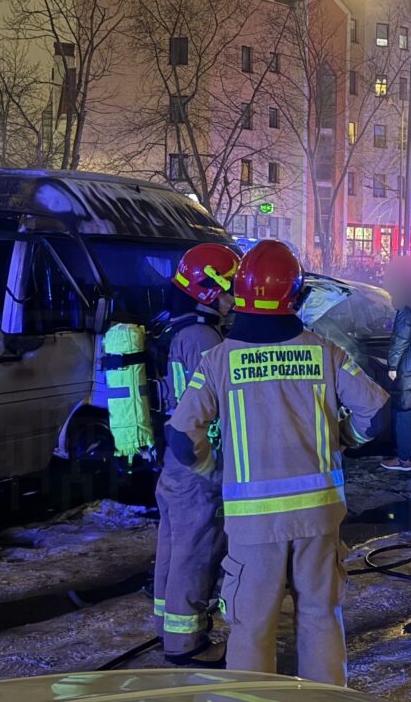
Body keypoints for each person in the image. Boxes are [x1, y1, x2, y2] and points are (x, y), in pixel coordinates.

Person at [167, 240, 390, 685]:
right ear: (295, 295)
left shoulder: (217, 360)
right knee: (321, 616)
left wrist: (214, 471)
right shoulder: (324, 351)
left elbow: (181, 436)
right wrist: (344, 438)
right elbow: (379, 413)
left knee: (252, 629)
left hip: (253, 526)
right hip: (319, 516)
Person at [153, 242, 239, 667]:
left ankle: (167, 628)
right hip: (197, 459)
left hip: (175, 457)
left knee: (173, 545)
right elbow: (215, 403)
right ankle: (187, 644)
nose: (233, 299)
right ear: (209, 290)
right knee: (197, 548)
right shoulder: (205, 336)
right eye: (228, 290)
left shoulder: (178, 327)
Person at [382, 274, 411, 472]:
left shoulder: (406, 313)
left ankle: (403, 459)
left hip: (408, 368)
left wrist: (392, 366)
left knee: (404, 411)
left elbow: (400, 341)